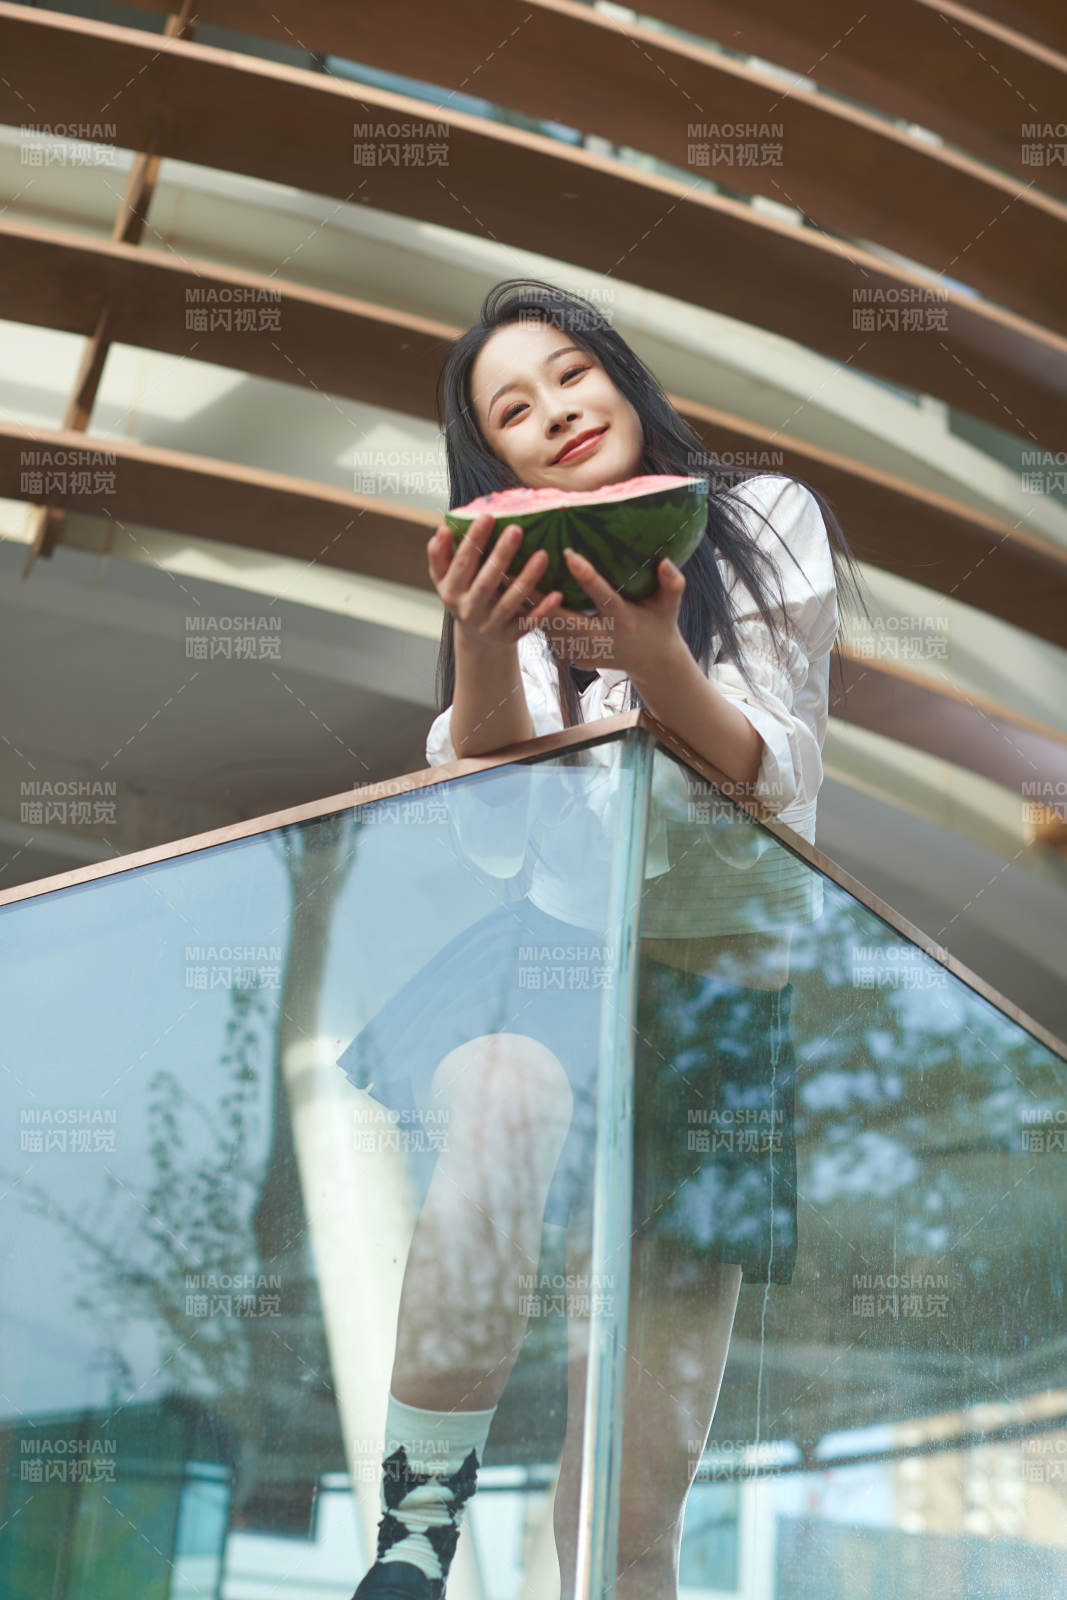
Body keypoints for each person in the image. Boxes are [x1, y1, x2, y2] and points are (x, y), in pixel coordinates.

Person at [342, 279, 869, 1599]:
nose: (554, 414)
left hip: (720, 1004)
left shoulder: (763, 522)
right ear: (497, 462)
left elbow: (768, 776)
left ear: (624, 378)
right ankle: (409, 1552)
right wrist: (477, 639)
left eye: (571, 374)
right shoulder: (514, 573)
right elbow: (494, 821)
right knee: (505, 1108)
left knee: (632, 1508)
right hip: (556, 956)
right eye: (512, 412)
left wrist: (649, 655)